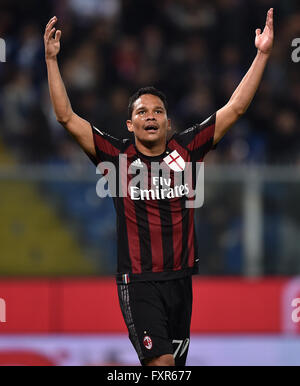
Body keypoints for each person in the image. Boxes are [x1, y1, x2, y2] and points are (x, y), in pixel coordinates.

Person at [44, 8, 274, 366]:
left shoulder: (188, 148)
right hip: (139, 284)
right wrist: (51, 60)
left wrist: (261, 54)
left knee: (173, 370)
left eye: (157, 112)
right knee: (162, 366)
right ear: (130, 124)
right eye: (142, 112)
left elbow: (236, 108)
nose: (150, 116)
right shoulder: (114, 156)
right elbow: (66, 116)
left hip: (181, 282)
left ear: (168, 123)